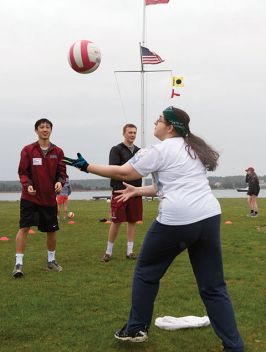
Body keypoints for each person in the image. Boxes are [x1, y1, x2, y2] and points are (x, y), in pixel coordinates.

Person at [63, 106, 244, 352]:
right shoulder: (193, 148)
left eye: (159, 120)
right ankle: (234, 347)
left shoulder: (158, 150)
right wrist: (138, 191)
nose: (155, 123)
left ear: (169, 127)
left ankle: (136, 329)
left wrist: (86, 167)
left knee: (146, 272)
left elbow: (123, 171)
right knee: (213, 287)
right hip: (209, 217)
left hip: (178, 219)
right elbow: (169, 185)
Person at [13, 118, 67, 278]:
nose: (45, 129)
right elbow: (23, 172)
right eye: (42, 127)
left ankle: (51, 261)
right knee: (24, 228)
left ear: (51, 130)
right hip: (30, 198)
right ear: (36, 130)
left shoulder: (58, 152)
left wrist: (59, 181)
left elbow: (62, 173)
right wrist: (27, 184)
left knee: (51, 230)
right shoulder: (28, 150)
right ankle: (18, 264)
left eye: (47, 127)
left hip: (49, 199)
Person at [101, 123, 143, 262]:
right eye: (130, 132)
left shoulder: (140, 151)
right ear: (124, 133)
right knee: (116, 221)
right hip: (120, 191)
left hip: (135, 191)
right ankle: (108, 252)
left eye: (134, 133)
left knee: (132, 220)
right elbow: (114, 170)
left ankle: (130, 252)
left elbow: (141, 170)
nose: (132, 135)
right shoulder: (116, 150)